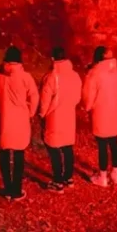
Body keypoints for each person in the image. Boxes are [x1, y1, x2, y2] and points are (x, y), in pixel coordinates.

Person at [0, 46, 39, 201]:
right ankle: (17, 189)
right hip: (21, 120)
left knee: (4, 152)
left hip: (3, 119)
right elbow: (34, 97)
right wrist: (30, 112)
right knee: (19, 154)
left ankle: (7, 188)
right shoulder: (26, 77)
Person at [39, 46, 82, 191]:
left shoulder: (51, 77)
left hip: (54, 116)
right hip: (69, 115)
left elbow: (45, 100)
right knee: (67, 146)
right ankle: (68, 177)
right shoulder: (75, 75)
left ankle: (57, 180)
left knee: (53, 147)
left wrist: (42, 114)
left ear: (52, 59)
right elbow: (77, 97)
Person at [82, 45, 117, 187]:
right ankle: (115, 173)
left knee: (102, 145)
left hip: (100, 111)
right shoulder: (116, 71)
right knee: (114, 143)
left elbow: (89, 95)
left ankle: (103, 177)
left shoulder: (94, 73)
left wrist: (88, 107)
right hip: (114, 110)